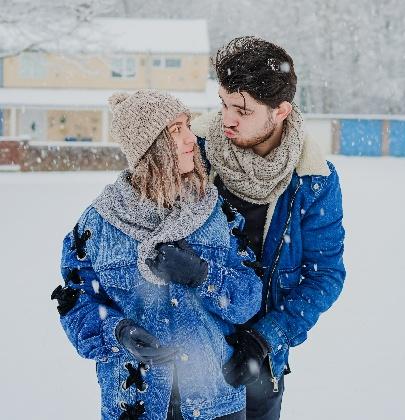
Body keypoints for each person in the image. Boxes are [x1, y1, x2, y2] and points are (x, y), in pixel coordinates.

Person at [51, 89, 264, 420]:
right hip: (136, 404)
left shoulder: (215, 215)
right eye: (176, 130)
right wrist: (118, 332)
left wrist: (202, 275)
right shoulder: (97, 226)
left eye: (188, 126)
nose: (192, 139)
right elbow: (74, 302)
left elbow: (249, 300)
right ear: (150, 147)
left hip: (215, 403)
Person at [191, 36, 346, 419]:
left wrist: (266, 337)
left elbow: (325, 275)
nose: (227, 118)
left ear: (280, 112)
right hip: (190, 354)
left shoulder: (314, 181)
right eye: (224, 103)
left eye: (242, 110)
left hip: (260, 364)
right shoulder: (193, 151)